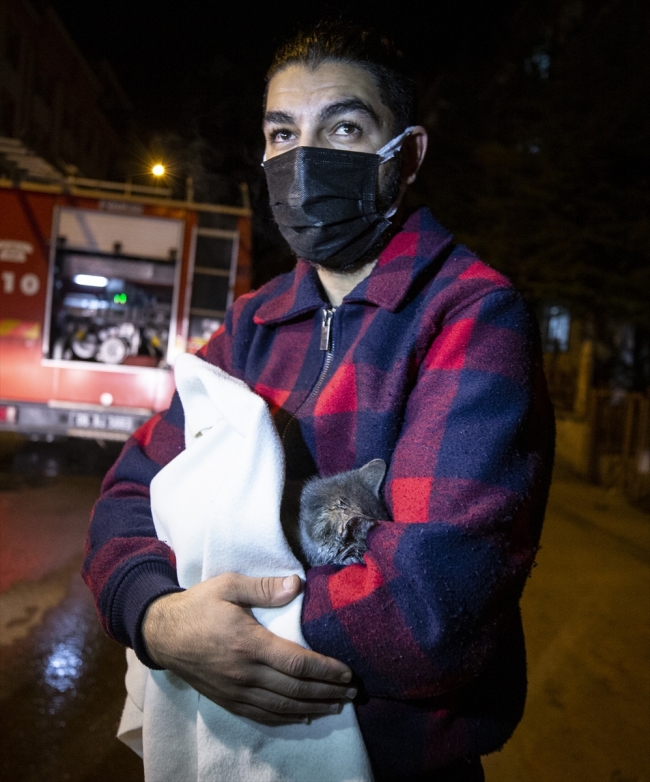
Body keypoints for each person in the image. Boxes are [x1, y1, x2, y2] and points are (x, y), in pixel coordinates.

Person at [83, 21, 554, 782]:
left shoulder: (469, 315)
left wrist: (225, 636)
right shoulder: (249, 323)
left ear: (406, 156)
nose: (304, 159)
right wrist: (158, 618)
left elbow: (429, 609)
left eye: (343, 126)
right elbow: (127, 498)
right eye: (281, 132)